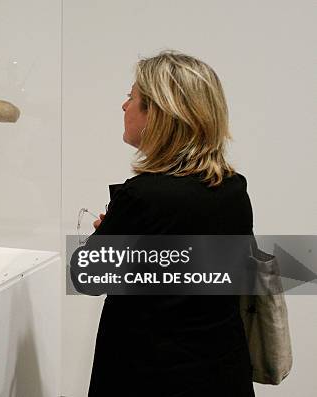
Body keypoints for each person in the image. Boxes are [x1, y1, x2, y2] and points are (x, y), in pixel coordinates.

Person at [85, 51, 255, 396]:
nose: (124, 107)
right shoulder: (233, 188)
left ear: (158, 114)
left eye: (131, 97)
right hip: (221, 372)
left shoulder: (143, 196)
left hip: (150, 376)